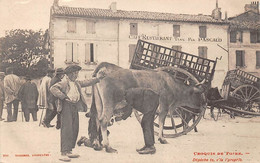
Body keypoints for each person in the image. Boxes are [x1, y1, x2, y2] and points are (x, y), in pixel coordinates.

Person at [50, 65, 105, 162]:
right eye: (75, 73)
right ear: (70, 74)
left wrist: (98, 79)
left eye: (77, 73)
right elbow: (53, 88)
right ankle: (63, 152)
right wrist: (63, 97)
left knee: (74, 128)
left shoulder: (76, 83)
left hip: (74, 107)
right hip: (66, 106)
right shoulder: (63, 83)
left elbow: (87, 82)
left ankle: (69, 150)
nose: (76, 75)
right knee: (67, 129)